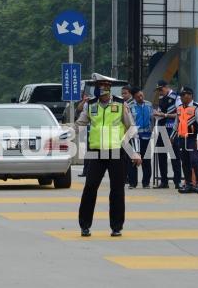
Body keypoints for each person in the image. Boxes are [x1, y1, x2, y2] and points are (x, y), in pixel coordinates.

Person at [76, 74, 141, 237]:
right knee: (90, 187)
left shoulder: (120, 104)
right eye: (98, 87)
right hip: (97, 152)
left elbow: (131, 128)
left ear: (108, 89)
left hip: (116, 152)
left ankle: (116, 226)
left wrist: (135, 152)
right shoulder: (90, 105)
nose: (100, 90)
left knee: (117, 189)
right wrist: (65, 133)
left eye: (102, 88)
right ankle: (85, 225)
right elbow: (80, 123)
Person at [175, 86, 198, 194]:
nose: (182, 97)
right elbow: (177, 123)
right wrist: (172, 135)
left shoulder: (197, 108)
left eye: (183, 95)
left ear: (190, 95)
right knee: (185, 161)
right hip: (182, 138)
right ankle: (188, 183)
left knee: (195, 160)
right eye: (181, 95)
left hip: (193, 138)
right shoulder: (179, 108)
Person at [152, 79, 182, 189]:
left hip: (172, 130)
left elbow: (179, 114)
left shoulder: (176, 97)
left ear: (166, 87)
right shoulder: (161, 98)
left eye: (161, 89)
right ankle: (164, 181)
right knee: (161, 155)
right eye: (158, 90)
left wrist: (164, 115)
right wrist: (157, 115)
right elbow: (160, 114)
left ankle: (177, 181)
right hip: (161, 129)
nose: (160, 92)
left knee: (175, 156)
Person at [127, 87, 153, 189]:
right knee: (133, 160)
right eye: (138, 96)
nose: (141, 98)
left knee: (146, 160)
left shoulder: (149, 105)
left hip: (147, 136)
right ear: (134, 97)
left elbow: (152, 119)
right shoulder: (129, 106)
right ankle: (132, 183)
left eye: (142, 95)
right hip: (134, 137)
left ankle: (146, 183)